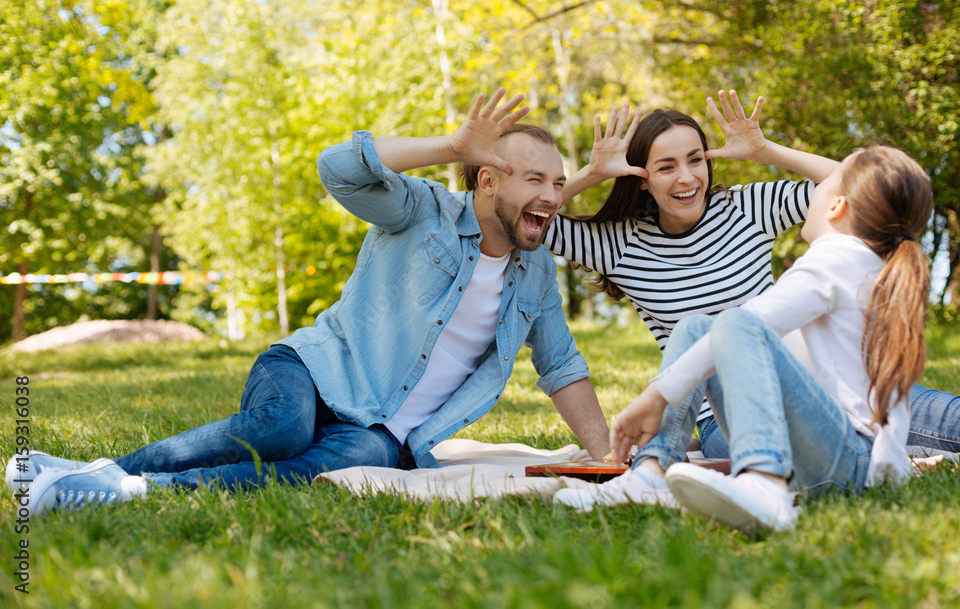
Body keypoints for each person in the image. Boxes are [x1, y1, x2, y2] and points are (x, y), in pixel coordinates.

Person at [8, 89, 611, 518]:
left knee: (348, 461)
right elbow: (338, 168)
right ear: (488, 180)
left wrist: (609, 459)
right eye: (535, 179)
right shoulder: (423, 209)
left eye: (559, 183)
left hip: (383, 432)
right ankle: (103, 470)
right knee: (282, 427)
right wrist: (452, 146)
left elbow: (562, 367)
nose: (552, 196)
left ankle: (128, 490)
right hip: (314, 370)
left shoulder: (536, 276)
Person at [542, 91, 960, 509]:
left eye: (696, 160)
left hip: (827, 384)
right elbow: (534, 219)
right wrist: (591, 175)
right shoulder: (618, 244)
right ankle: (653, 476)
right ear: (640, 179)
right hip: (731, 412)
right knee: (697, 328)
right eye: (666, 167)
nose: (687, 177)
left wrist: (766, 151)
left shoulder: (745, 208)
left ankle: (799, 474)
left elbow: (863, 191)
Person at [577, 145, 934, 533]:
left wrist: (656, 395)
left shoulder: (834, 259)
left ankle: (765, 484)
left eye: (822, 186)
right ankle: (650, 472)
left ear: (835, 206)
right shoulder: (858, 262)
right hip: (829, 456)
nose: (812, 191)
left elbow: (750, 322)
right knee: (697, 328)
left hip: (849, 463)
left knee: (736, 322)